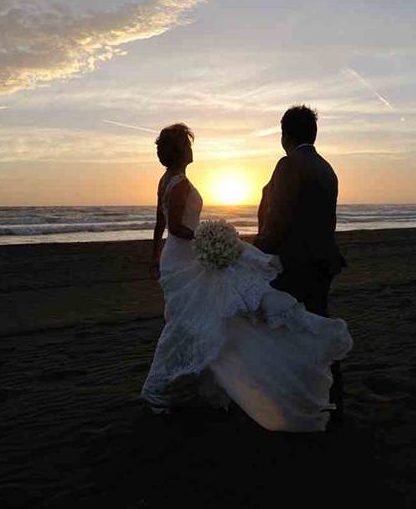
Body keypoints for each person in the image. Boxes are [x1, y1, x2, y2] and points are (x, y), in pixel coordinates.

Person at [141, 123, 352, 432]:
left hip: (178, 256)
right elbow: (176, 226)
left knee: (188, 317)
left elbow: (160, 223)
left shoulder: (166, 180)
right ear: (181, 150)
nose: (191, 149)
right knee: (190, 319)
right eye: (188, 144)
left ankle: (190, 384)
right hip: (187, 256)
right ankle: (165, 386)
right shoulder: (181, 184)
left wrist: (155, 253)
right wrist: (211, 236)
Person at [254, 105, 347, 422]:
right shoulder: (326, 167)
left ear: (285, 135)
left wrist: (256, 252)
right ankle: (328, 392)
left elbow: (278, 220)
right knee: (316, 322)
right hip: (323, 260)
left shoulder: (288, 164)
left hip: (295, 263)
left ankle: (299, 396)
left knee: (291, 328)